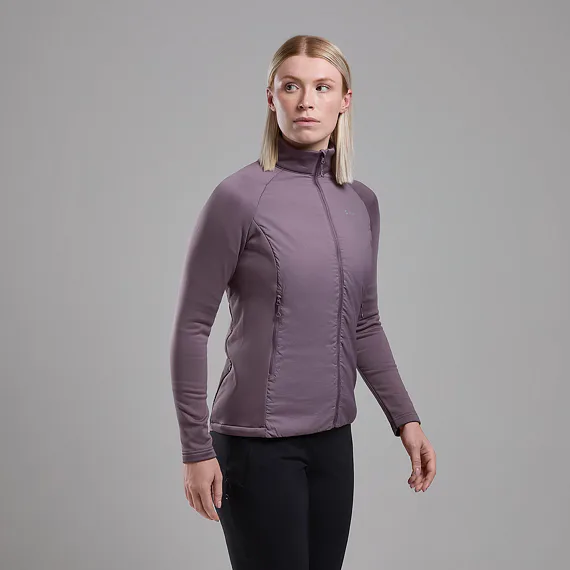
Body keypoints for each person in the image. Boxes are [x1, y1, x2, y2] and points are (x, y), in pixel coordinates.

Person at [170, 34, 437, 570]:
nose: (306, 101)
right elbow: (191, 328)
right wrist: (196, 449)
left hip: (333, 442)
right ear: (272, 98)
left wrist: (405, 420)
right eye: (291, 86)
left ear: (345, 100)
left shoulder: (361, 203)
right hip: (256, 446)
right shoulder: (238, 198)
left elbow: (364, 324)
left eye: (322, 87)